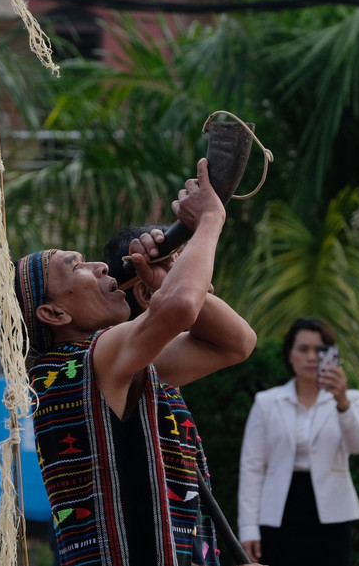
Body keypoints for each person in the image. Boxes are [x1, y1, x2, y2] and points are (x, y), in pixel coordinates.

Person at [14, 158, 258, 566]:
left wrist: (166, 279)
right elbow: (180, 307)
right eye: (76, 266)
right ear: (54, 315)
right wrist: (211, 220)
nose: (100, 267)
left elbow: (236, 343)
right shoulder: (89, 361)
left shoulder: (103, 365)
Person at [102, 223, 222, 565]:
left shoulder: (156, 366)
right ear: (145, 293)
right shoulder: (126, 362)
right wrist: (211, 219)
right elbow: (191, 309)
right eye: (190, 270)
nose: (208, 286)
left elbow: (241, 340)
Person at [237, 317, 359, 566]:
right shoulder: (267, 403)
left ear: (331, 355)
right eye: (303, 349)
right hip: (280, 509)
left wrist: (342, 403)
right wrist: (248, 528)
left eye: (319, 350)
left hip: (332, 513)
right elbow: (252, 467)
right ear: (289, 354)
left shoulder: (351, 399)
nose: (311, 357)